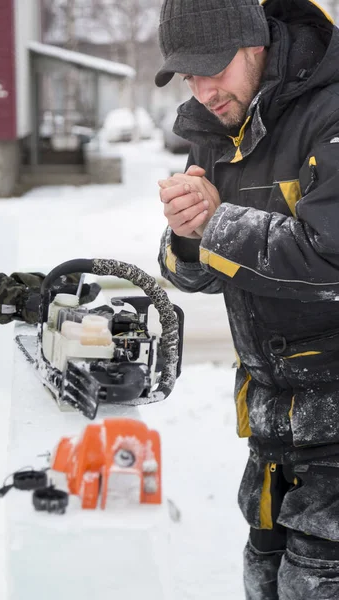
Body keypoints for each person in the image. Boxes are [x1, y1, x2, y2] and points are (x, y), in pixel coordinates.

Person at [156, 0, 339, 598]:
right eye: (190, 75)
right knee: (264, 575)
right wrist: (186, 240)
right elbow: (206, 271)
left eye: (215, 67)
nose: (204, 90)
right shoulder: (215, 130)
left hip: (335, 421)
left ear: (255, 41)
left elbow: (330, 259)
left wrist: (219, 225)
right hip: (272, 424)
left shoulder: (331, 110)